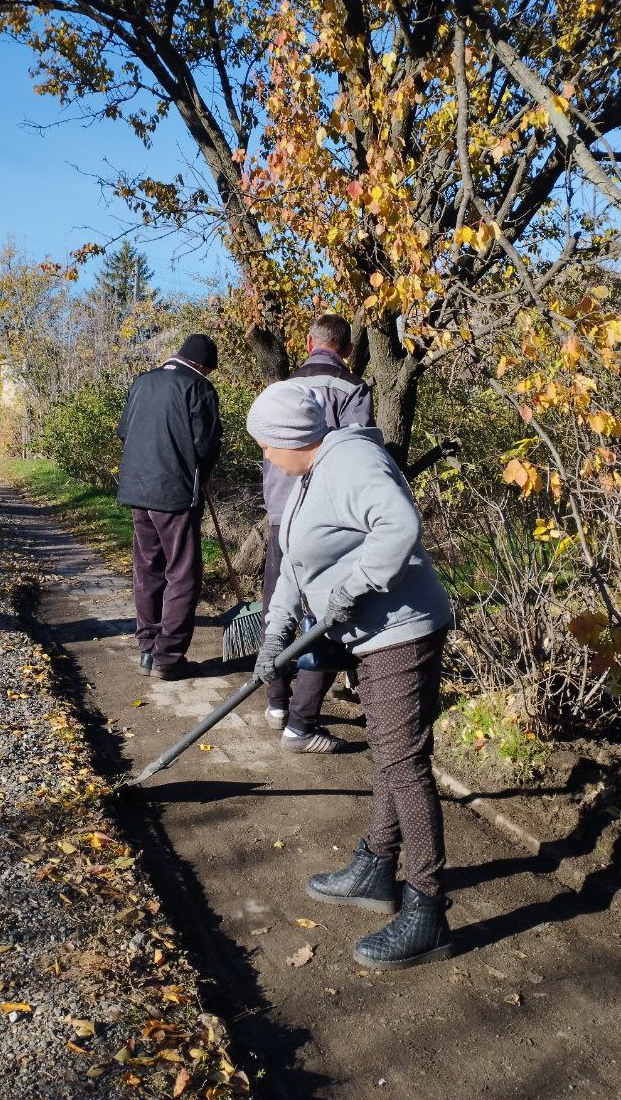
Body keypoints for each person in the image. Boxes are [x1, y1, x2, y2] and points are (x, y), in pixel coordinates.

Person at [246, 381, 455, 969]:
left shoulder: (352, 461)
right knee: (393, 753)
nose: (265, 455)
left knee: (404, 763)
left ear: (291, 438)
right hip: (374, 633)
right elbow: (293, 559)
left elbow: (399, 525)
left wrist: (351, 587)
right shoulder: (311, 473)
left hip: (401, 631)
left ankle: (428, 909)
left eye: (266, 444)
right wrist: (275, 633)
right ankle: (374, 866)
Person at [261, 314, 374, 753]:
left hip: (279, 512)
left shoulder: (280, 391)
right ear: (345, 349)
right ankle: (302, 720)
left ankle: (276, 701)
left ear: (309, 342)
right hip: (327, 516)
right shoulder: (352, 390)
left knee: (279, 602)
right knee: (325, 612)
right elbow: (358, 450)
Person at [117, 334, 221, 679]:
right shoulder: (199, 387)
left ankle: (148, 649)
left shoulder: (142, 382)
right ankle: (168, 657)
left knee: (147, 568)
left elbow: (124, 432)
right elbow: (205, 445)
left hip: (137, 489)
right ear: (203, 365)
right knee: (182, 573)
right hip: (175, 492)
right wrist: (203, 475)